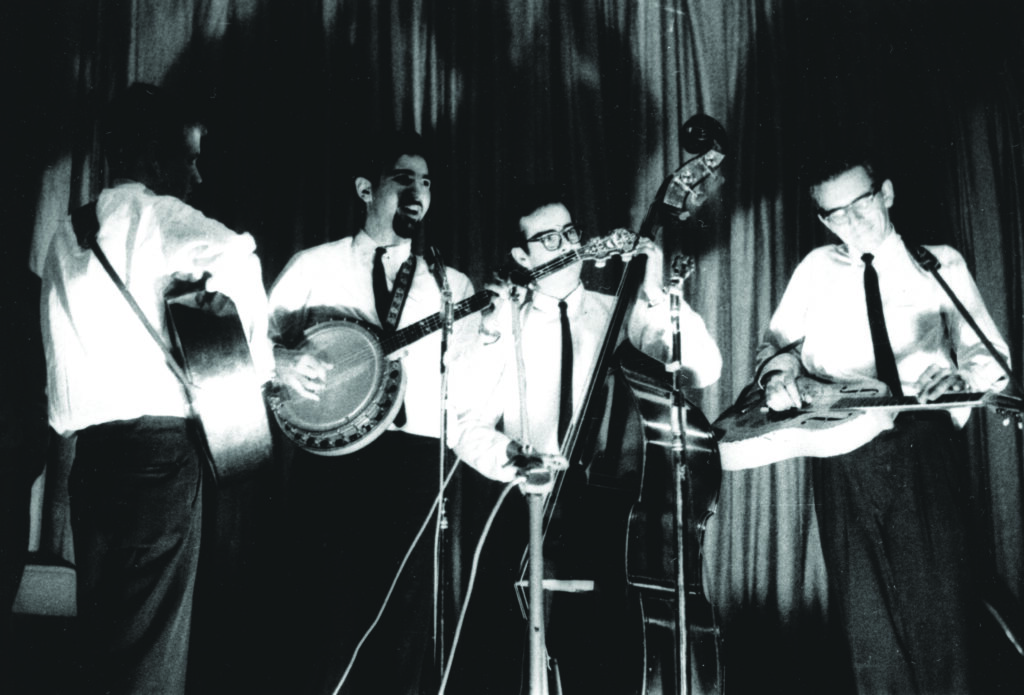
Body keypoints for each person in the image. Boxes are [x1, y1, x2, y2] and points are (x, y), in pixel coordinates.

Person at [36, 83, 274, 694]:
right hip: (160, 460)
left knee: (105, 643)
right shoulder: (157, 216)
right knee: (152, 650)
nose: (196, 176)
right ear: (151, 156)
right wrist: (262, 364)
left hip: (89, 460)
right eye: (189, 157)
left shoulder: (70, 233)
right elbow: (236, 254)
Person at [446, 185, 721, 693]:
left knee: (613, 656)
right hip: (535, 512)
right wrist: (513, 460)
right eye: (549, 240)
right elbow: (463, 423)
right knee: (530, 661)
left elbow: (704, 367)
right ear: (521, 256)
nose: (569, 247)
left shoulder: (618, 311)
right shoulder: (500, 326)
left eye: (572, 233)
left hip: (615, 519)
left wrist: (656, 291)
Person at [755, 150, 1010, 693]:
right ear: (822, 220)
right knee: (866, 625)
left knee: (941, 618)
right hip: (841, 452)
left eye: (861, 203)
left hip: (922, 446)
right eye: (835, 214)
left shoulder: (938, 262)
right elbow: (777, 347)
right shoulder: (815, 270)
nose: (852, 221)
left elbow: (990, 357)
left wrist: (963, 381)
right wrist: (777, 376)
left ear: (887, 194)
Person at [268, 130, 479, 694]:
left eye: (427, 182)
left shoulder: (452, 286)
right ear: (366, 189)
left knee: (406, 615)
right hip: (332, 461)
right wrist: (287, 362)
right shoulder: (314, 266)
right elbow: (260, 350)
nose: (418, 192)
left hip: (417, 461)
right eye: (403, 178)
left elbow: (473, 384)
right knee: (324, 607)